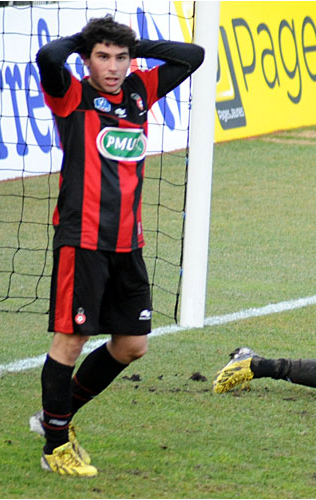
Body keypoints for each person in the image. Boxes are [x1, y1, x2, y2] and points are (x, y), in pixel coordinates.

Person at [31, 15, 204, 477]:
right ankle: (54, 447)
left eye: (120, 57)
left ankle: (54, 417)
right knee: (72, 340)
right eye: (103, 57)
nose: (112, 66)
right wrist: (82, 42)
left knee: (131, 345)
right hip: (82, 241)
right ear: (87, 59)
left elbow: (194, 56)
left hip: (129, 243)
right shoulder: (71, 95)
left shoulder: (138, 91)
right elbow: (48, 56)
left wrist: (136, 45)